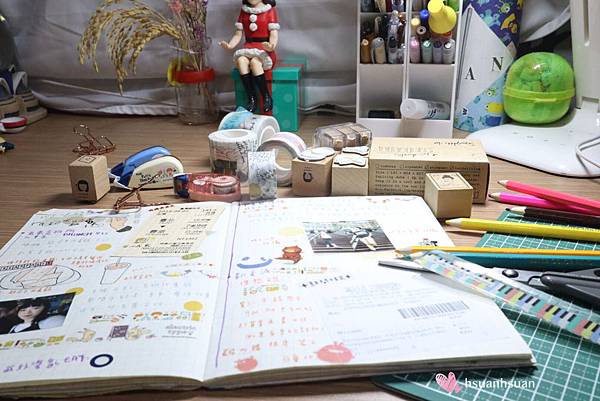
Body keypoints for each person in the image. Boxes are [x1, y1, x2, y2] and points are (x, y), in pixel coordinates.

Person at [220, 0, 279, 113]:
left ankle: (266, 97)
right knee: (241, 61)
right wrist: (230, 45)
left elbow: (274, 34)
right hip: (248, 47)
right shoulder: (244, 11)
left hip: (264, 49)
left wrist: (271, 46)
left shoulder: (269, 10)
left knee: (255, 63)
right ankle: (252, 98)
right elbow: (238, 34)